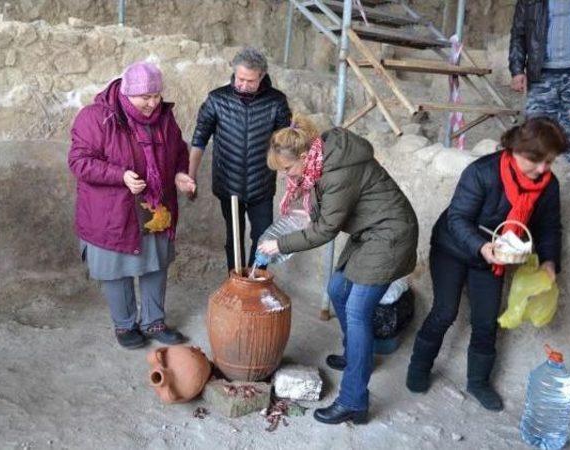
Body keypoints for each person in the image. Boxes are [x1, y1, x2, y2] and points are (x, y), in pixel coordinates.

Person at [258, 115, 419, 425]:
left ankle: (354, 402)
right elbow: (322, 211)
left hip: (390, 235)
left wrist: (281, 245)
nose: (285, 175)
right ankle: (358, 355)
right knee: (337, 289)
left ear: (305, 156)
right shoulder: (321, 161)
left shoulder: (337, 170)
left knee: (359, 312)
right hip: (370, 231)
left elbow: (326, 229)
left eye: (287, 168)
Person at [406, 117, 566, 411]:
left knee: (486, 320)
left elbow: (549, 228)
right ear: (516, 149)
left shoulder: (548, 185)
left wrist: (549, 262)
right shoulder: (483, 172)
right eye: (536, 160)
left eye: (550, 161)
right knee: (444, 312)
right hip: (453, 247)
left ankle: (478, 382)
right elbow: (457, 218)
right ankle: (418, 367)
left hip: (495, 256)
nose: (542, 169)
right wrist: (482, 246)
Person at [68, 61, 196, 349]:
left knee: (155, 265)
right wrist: (120, 175)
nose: (152, 103)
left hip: (154, 208)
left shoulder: (164, 118)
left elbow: (177, 151)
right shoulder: (95, 118)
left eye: (156, 96)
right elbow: (79, 162)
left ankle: (154, 322)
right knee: (116, 270)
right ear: (127, 94)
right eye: (145, 98)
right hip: (111, 211)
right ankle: (125, 326)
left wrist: (179, 174)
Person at [189, 47, 291, 271]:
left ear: (262, 76)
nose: (244, 85)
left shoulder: (276, 102)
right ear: (234, 73)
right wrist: (191, 176)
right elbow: (199, 140)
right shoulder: (217, 99)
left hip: (262, 184)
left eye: (250, 81)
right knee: (233, 236)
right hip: (228, 183)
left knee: (263, 237)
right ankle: (234, 283)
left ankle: (255, 282)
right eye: (240, 79)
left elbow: (285, 144)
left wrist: (292, 178)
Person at [509, 0, 570, 169]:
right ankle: (537, 187)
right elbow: (518, 34)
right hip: (541, 76)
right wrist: (517, 70)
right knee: (535, 134)